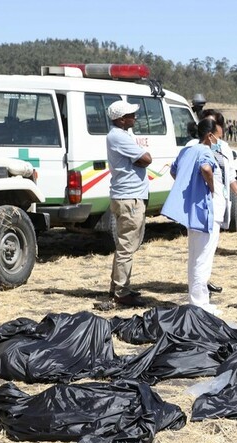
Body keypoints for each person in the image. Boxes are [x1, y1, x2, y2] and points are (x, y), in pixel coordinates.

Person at [162, 118, 224, 316]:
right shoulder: (205, 151)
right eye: (218, 135)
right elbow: (206, 169)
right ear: (209, 135)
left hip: (192, 209)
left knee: (195, 255)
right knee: (204, 257)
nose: (219, 139)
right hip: (205, 209)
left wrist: (189, 186)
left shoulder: (186, 151)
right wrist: (210, 187)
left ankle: (196, 299)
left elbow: (174, 171)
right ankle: (200, 304)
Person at [196, 109, 237, 293]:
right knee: (200, 248)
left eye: (213, 125)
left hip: (219, 203)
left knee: (210, 246)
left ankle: (204, 280)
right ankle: (199, 286)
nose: (210, 129)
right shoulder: (194, 146)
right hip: (202, 203)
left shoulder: (224, 147)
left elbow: (230, 175)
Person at [105, 100, 152, 308]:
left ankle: (117, 286)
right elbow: (146, 158)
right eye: (132, 115)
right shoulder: (118, 137)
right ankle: (121, 291)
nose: (135, 117)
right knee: (127, 246)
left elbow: (141, 159)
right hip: (129, 197)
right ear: (122, 120)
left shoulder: (120, 135)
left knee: (124, 244)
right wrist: (140, 157)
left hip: (125, 195)